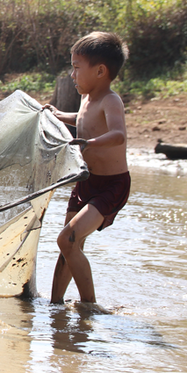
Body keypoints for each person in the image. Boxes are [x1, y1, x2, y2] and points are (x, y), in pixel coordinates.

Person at [44, 31, 131, 304]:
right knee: (71, 245)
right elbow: (83, 119)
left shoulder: (110, 100)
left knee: (67, 238)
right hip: (86, 182)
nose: (72, 74)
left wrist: (88, 143)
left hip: (111, 185)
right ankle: (55, 304)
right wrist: (59, 115)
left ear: (101, 71)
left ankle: (89, 306)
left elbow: (118, 134)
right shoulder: (86, 98)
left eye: (77, 67)